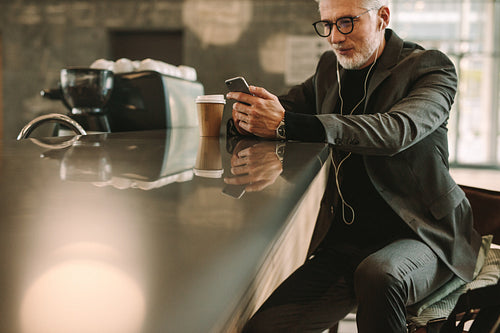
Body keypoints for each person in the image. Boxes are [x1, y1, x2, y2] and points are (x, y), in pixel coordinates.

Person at [226, 0, 482, 332]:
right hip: (347, 244)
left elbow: (395, 131)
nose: (334, 37)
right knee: (262, 328)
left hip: (424, 235)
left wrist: (288, 123)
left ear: (382, 17)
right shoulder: (329, 68)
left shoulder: (431, 68)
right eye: (327, 25)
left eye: (346, 22)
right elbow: (286, 108)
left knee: (377, 275)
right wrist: (248, 115)